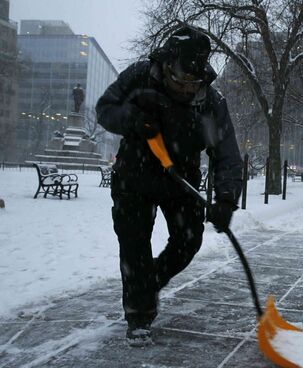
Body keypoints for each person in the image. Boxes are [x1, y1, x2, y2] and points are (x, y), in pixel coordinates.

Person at [96, 26, 243, 346]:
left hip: (181, 179)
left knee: (188, 241)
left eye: (192, 83)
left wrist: (226, 199)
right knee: (134, 244)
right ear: (166, 65)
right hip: (134, 174)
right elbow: (104, 109)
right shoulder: (138, 77)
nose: (186, 88)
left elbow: (227, 153)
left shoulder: (210, 100)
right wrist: (131, 118)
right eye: (179, 81)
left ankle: (146, 286)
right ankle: (139, 314)